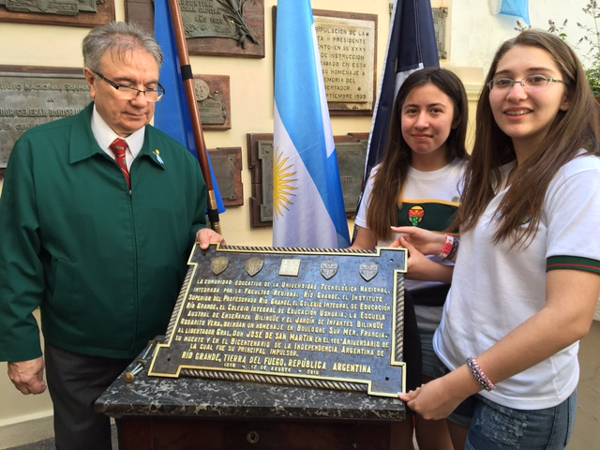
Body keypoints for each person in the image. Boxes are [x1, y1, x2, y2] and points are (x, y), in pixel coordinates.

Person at [0, 22, 224, 450]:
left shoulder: (178, 160)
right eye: (125, 86)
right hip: (80, 349)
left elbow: (193, 226)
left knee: (167, 441)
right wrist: (21, 344)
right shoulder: (38, 153)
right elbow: (14, 256)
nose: (142, 101)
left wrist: (202, 235)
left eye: (151, 88)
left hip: (164, 348)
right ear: (90, 79)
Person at [397, 30, 600, 450]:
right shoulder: (502, 172)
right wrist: (445, 244)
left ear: (567, 95)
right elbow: (507, 258)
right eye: (504, 80)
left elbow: (569, 317)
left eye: (537, 78)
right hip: (456, 358)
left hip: (517, 398)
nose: (516, 92)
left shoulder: (581, 180)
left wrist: (456, 385)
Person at [351, 67, 469, 450]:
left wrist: (426, 269)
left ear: (456, 118)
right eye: (411, 111)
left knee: (436, 426)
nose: (421, 122)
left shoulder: (476, 179)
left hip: (445, 325)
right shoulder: (381, 176)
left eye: (435, 110)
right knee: (392, 426)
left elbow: (486, 273)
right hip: (384, 323)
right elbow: (362, 251)